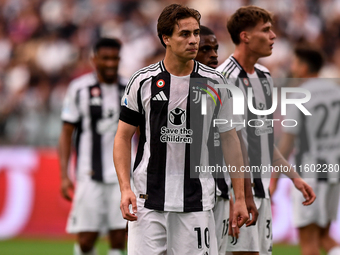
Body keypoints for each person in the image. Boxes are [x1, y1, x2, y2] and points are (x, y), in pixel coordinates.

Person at [113, 4, 249, 255]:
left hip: (196, 203)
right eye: (185, 34)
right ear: (166, 39)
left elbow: (231, 141)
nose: (194, 40)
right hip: (148, 202)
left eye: (196, 33)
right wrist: (125, 188)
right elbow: (122, 137)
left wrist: (239, 197)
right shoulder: (142, 81)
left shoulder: (215, 83)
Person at [216, 6, 316, 255]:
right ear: (245, 36)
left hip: (260, 192)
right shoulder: (223, 78)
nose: (273, 36)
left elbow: (262, 139)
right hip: (233, 195)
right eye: (266, 30)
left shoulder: (264, 76)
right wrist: (236, 196)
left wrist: (294, 177)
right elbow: (226, 144)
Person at [59, 38, 127, 255]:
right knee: (87, 239)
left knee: (119, 236)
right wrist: (64, 174)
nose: (110, 63)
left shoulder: (130, 88)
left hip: (122, 176)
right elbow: (66, 133)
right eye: (105, 58)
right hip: (89, 173)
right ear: (94, 59)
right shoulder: (79, 89)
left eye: (114, 58)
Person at [195, 25, 258, 255]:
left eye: (215, 48)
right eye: (206, 49)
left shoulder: (220, 89)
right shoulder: (171, 89)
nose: (213, 54)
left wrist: (239, 197)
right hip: (182, 199)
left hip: (218, 195)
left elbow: (235, 142)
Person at [272, 46, 340, 255]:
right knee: (323, 237)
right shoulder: (336, 91)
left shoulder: (300, 94)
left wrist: (274, 176)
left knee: (308, 242)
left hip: (309, 171)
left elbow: (288, 141)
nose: (292, 68)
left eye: (294, 63)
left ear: (303, 67)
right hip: (333, 169)